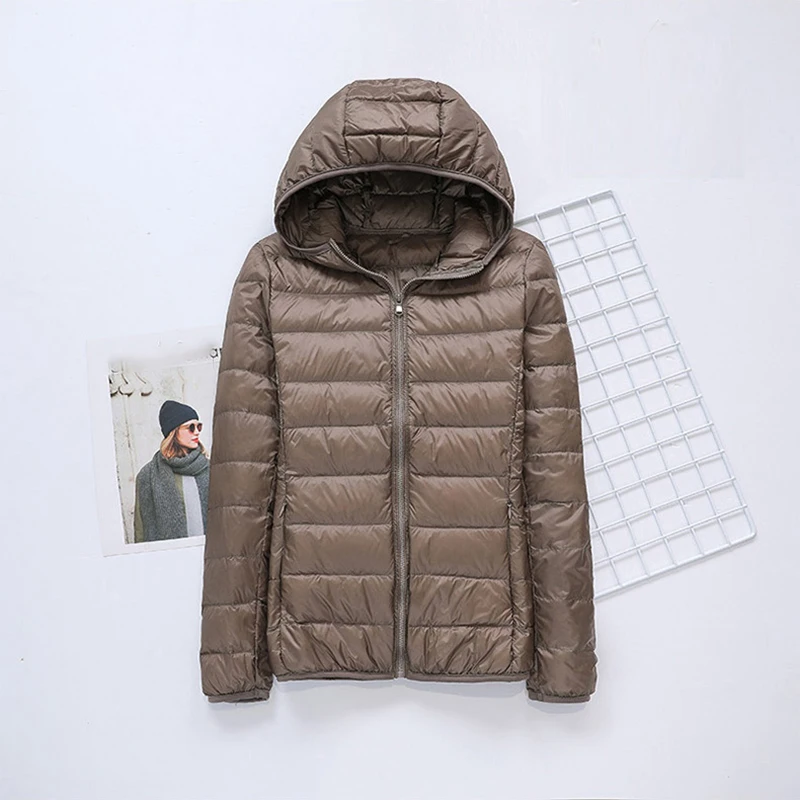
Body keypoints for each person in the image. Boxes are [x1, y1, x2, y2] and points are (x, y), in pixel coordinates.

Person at [133, 400, 210, 543]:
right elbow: (141, 530)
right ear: (173, 432)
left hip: (210, 552)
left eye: (199, 426)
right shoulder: (147, 476)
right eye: (190, 427)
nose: (197, 432)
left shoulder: (209, 468)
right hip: (171, 555)